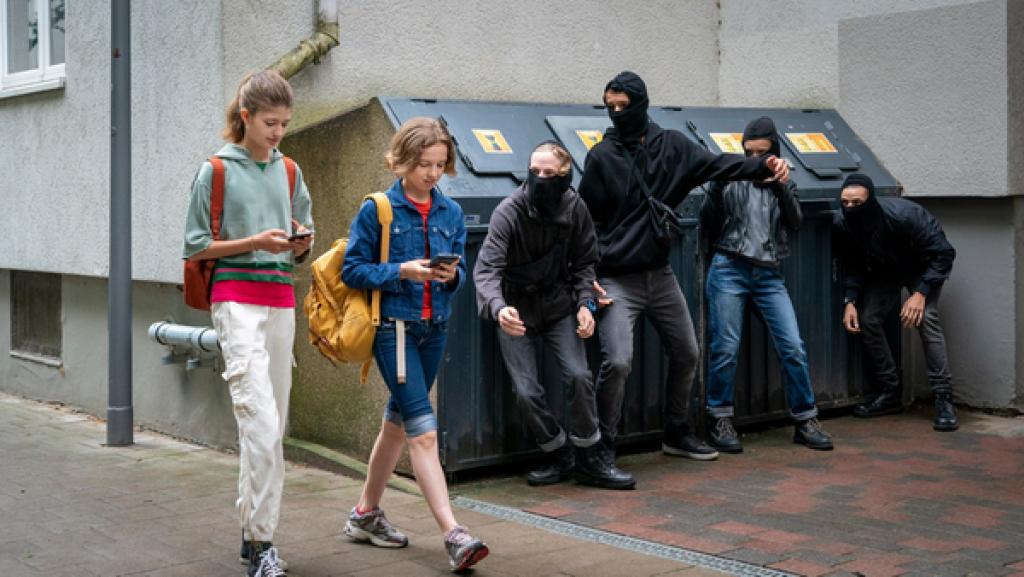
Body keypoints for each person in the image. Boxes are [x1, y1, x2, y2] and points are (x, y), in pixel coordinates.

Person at [578, 71, 789, 486]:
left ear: (642, 104)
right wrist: (587, 277)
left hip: (659, 274)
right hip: (616, 279)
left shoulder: (671, 146)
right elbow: (583, 223)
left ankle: (676, 431)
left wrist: (762, 166)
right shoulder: (601, 157)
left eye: (625, 106)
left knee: (688, 351)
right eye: (610, 106)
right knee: (617, 361)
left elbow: (717, 164)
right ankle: (600, 450)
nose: (618, 113)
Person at [341, 117, 489, 572]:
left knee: (398, 426)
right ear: (403, 160)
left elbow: (461, 273)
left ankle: (365, 514)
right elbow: (353, 269)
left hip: (433, 329)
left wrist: (452, 276)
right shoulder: (379, 209)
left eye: (440, 165)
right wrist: (401, 271)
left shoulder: (450, 212)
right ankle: (453, 533)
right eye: (424, 164)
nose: (432, 173)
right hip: (395, 329)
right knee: (423, 433)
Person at [182, 70, 314, 577]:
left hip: (281, 299)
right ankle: (263, 545)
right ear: (244, 117)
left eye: (284, 123)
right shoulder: (215, 170)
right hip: (235, 300)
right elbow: (195, 244)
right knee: (259, 426)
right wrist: (255, 241)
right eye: (269, 122)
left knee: (272, 428)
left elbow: (300, 231)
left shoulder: (289, 171)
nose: (278, 132)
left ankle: (250, 533)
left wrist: (300, 242)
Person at [473, 141, 634, 490]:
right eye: (535, 172)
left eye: (549, 173)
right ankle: (558, 453)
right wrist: (499, 309)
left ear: (565, 176)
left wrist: (586, 306)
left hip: (560, 305)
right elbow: (486, 270)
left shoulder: (576, 208)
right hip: (516, 309)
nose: (541, 179)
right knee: (526, 391)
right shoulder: (509, 211)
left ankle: (590, 457)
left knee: (579, 376)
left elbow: (585, 265)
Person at [700, 117, 833, 453]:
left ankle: (805, 420)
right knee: (725, 347)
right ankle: (719, 418)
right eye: (750, 152)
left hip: (769, 274)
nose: (757, 158)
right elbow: (707, 220)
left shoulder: (784, 180)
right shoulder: (732, 174)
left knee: (792, 346)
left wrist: (780, 186)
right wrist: (720, 181)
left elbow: (796, 222)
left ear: (774, 150)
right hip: (729, 266)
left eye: (763, 152)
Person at [833, 173, 958, 431]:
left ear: (871, 201)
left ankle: (944, 398)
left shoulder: (905, 216)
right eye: (845, 203)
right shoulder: (843, 223)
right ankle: (890, 393)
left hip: (923, 269)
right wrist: (850, 300)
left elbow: (944, 253)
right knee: (867, 320)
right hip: (886, 270)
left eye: (856, 203)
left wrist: (921, 292)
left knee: (927, 319)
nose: (850, 208)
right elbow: (853, 263)